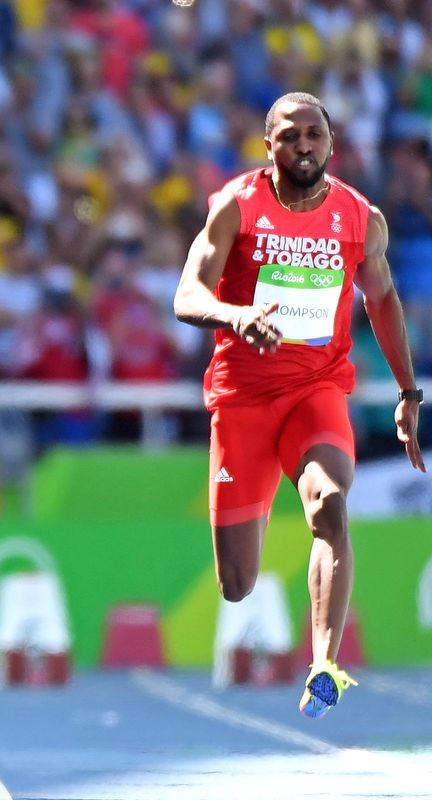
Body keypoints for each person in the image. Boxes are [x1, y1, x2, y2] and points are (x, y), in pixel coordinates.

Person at [174, 92, 424, 720]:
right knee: (237, 584)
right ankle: (253, 512)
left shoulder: (360, 219)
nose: (304, 145)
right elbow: (186, 295)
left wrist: (407, 391)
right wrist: (236, 315)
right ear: (270, 146)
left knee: (330, 504)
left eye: (314, 134)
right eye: (290, 136)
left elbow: (382, 299)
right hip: (242, 399)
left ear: (331, 143)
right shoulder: (237, 207)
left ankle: (324, 666)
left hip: (316, 390)